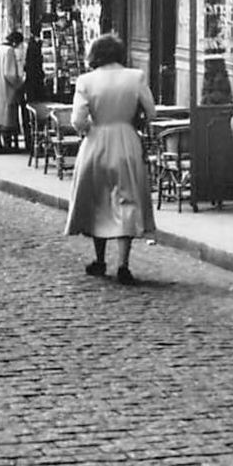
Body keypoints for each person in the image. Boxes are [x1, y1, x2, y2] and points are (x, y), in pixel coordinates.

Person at [64, 33, 157, 285]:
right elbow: (151, 110)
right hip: (126, 140)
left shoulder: (86, 80)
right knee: (127, 199)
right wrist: (136, 121)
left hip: (97, 141)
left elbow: (77, 120)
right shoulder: (135, 77)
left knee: (98, 200)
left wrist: (88, 128)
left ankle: (100, 259)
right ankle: (124, 263)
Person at [0, 30, 25, 154]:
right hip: (5, 88)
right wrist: (20, 81)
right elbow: (9, 73)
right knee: (6, 117)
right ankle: (6, 145)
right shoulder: (9, 51)